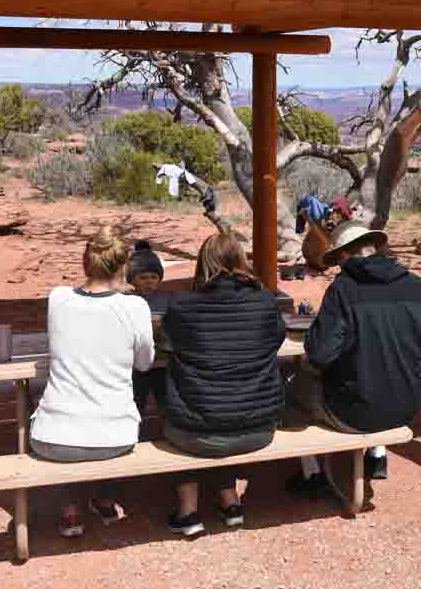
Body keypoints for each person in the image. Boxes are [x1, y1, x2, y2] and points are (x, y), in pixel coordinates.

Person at [287, 222, 421, 494]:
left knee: (290, 386)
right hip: (406, 407)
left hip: (353, 411)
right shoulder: (418, 287)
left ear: (344, 256)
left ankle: (312, 472)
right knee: (376, 365)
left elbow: (319, 354)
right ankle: (377, 455)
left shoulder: (344, 289)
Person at [29, 226, 155, 537]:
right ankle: (104, 497)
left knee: (47, 401)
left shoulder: (57, 299)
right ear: (124, 266)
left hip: (52, 437)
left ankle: (70, 508)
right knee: (118, 406)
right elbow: (144, 362)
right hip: (116, 437)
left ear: (86, 262)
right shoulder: (134, 306)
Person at [161, 232, 285, 537]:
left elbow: (165, 342)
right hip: (258, 430)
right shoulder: (265, 301)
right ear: (241, 261)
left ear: (203, 264)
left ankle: (188, 510)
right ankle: (229, 500)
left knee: (194, 413)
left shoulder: (181, 305)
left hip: (196, 433)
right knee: (221, 407)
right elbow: (277, 338)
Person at [127, 240, 170, 418]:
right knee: (135, 404)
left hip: (163, 363)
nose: (149, 282)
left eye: (153, 277)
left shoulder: (168, 300)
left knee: (166, 403)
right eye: (143, 278)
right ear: (132, 279)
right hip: (135, 366)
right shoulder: (125, 302)